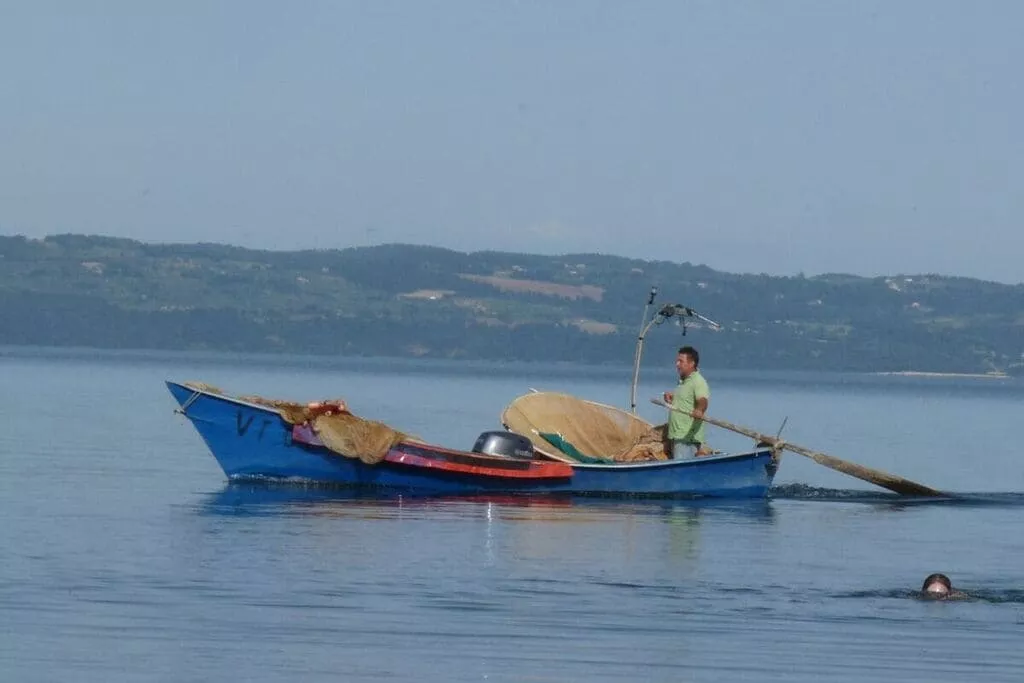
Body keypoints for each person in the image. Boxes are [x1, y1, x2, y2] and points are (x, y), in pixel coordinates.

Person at [662, 346, 710, 460]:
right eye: (677, 361)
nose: (677, 364)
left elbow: (703, 400)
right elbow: (686, 400)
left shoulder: (698, 381)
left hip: (688, 439)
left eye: (681, 361)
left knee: (682, 473)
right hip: (678, 437)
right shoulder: (683, 381)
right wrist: (672, 397)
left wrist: (699, 410)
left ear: (691, 363)